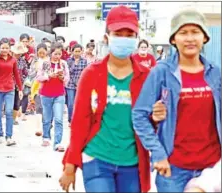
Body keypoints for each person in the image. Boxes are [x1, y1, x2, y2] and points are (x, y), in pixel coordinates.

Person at [59, 5, 166, 193]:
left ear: (136, 38)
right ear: (106, 37)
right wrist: (70, 163)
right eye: (118, 33)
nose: (124, 39)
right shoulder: (92, 74)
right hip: (97, 158)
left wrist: (157, 118)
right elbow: (80, 122)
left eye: (129, 34)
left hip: (132, 162)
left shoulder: (147, 77)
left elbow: (151, 122)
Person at [132, 9, 221, 192]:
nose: (190, 38)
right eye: (183, 33)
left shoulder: (215, 73)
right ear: (173, 39)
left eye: (195, 32)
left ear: (204, 38)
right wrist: (157, 153)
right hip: (173, 169)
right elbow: (139, 115)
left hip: (211, 168)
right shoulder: (161, 72)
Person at [0, 38, 23, 146]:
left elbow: (16, 75)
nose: (4, 50)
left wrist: (20, 89)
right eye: (2, 48)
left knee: (8, 112)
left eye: (6, 48)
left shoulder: (13, 60)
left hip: (9, 89)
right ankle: (0, 134)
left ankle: (9, 136)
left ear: (9, 48)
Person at [36, 42, 69, 151]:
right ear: (51, 53)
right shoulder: (44, 63)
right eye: (55, 54)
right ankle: (46, 137)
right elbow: (39, 77)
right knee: (47, 117)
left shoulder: (63, 64)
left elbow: (67, 80)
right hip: (46, 94)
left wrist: (62, 77)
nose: (57, 56)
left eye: (59, 54)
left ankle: (58, 142)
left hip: (59, 93)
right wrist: (48, 76)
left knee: (59, 119)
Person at [65, 44, 87, 127]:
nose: (77, 53)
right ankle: (70, 120)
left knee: (80, 103)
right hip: (70, 84)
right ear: (72, 51)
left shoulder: (84, 61)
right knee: (70, 103)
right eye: (75, 51)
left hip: (80, 84)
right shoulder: (69, 60)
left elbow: (85, 72)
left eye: (79, 51)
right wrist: (75, 63)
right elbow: (68, 72)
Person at [10, 42, 29, 125]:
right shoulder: (9, 59)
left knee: (16, 101)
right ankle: (8, 117)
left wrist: (23, 80)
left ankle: (13, 119)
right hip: (9, 83)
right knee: (9, 100)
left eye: (19, 54)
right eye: (17, 53)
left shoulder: (23, 61)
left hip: (19, 84)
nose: (18, 55)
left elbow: (25, 72)